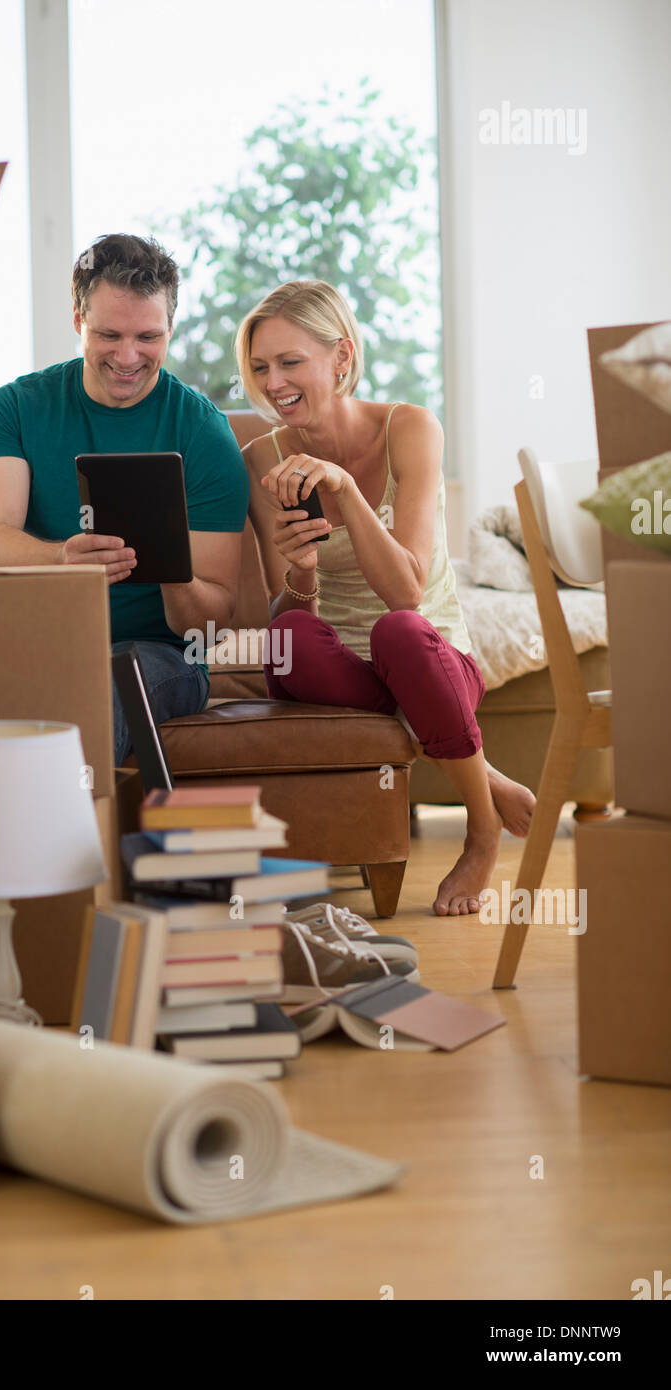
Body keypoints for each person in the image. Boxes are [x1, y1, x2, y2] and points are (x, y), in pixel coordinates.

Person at [235, 280, 535, 916]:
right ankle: (487, 776)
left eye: (291, 362)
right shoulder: (261, 459)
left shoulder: (411, 428)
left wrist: (346, 492)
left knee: (396, 630)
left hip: (430, 653)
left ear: (341, 356)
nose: (273, 382)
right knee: (287, 642)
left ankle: (481, 835)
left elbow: (407, 589)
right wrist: (305, 571)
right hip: (342, 669)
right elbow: (285, 614)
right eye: (260, 367)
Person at [0, 233, 249, 768]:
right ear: (78, 320)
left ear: (171, 329)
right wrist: (61, 559)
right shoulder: (11, 410)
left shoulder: (203, 433)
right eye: (108, 334)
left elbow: (208, 627)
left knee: (100, 689)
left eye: (148, 336)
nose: (127, 356)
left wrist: (170, 565)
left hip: (161, 654)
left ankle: (61, 846)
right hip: (39, 645)